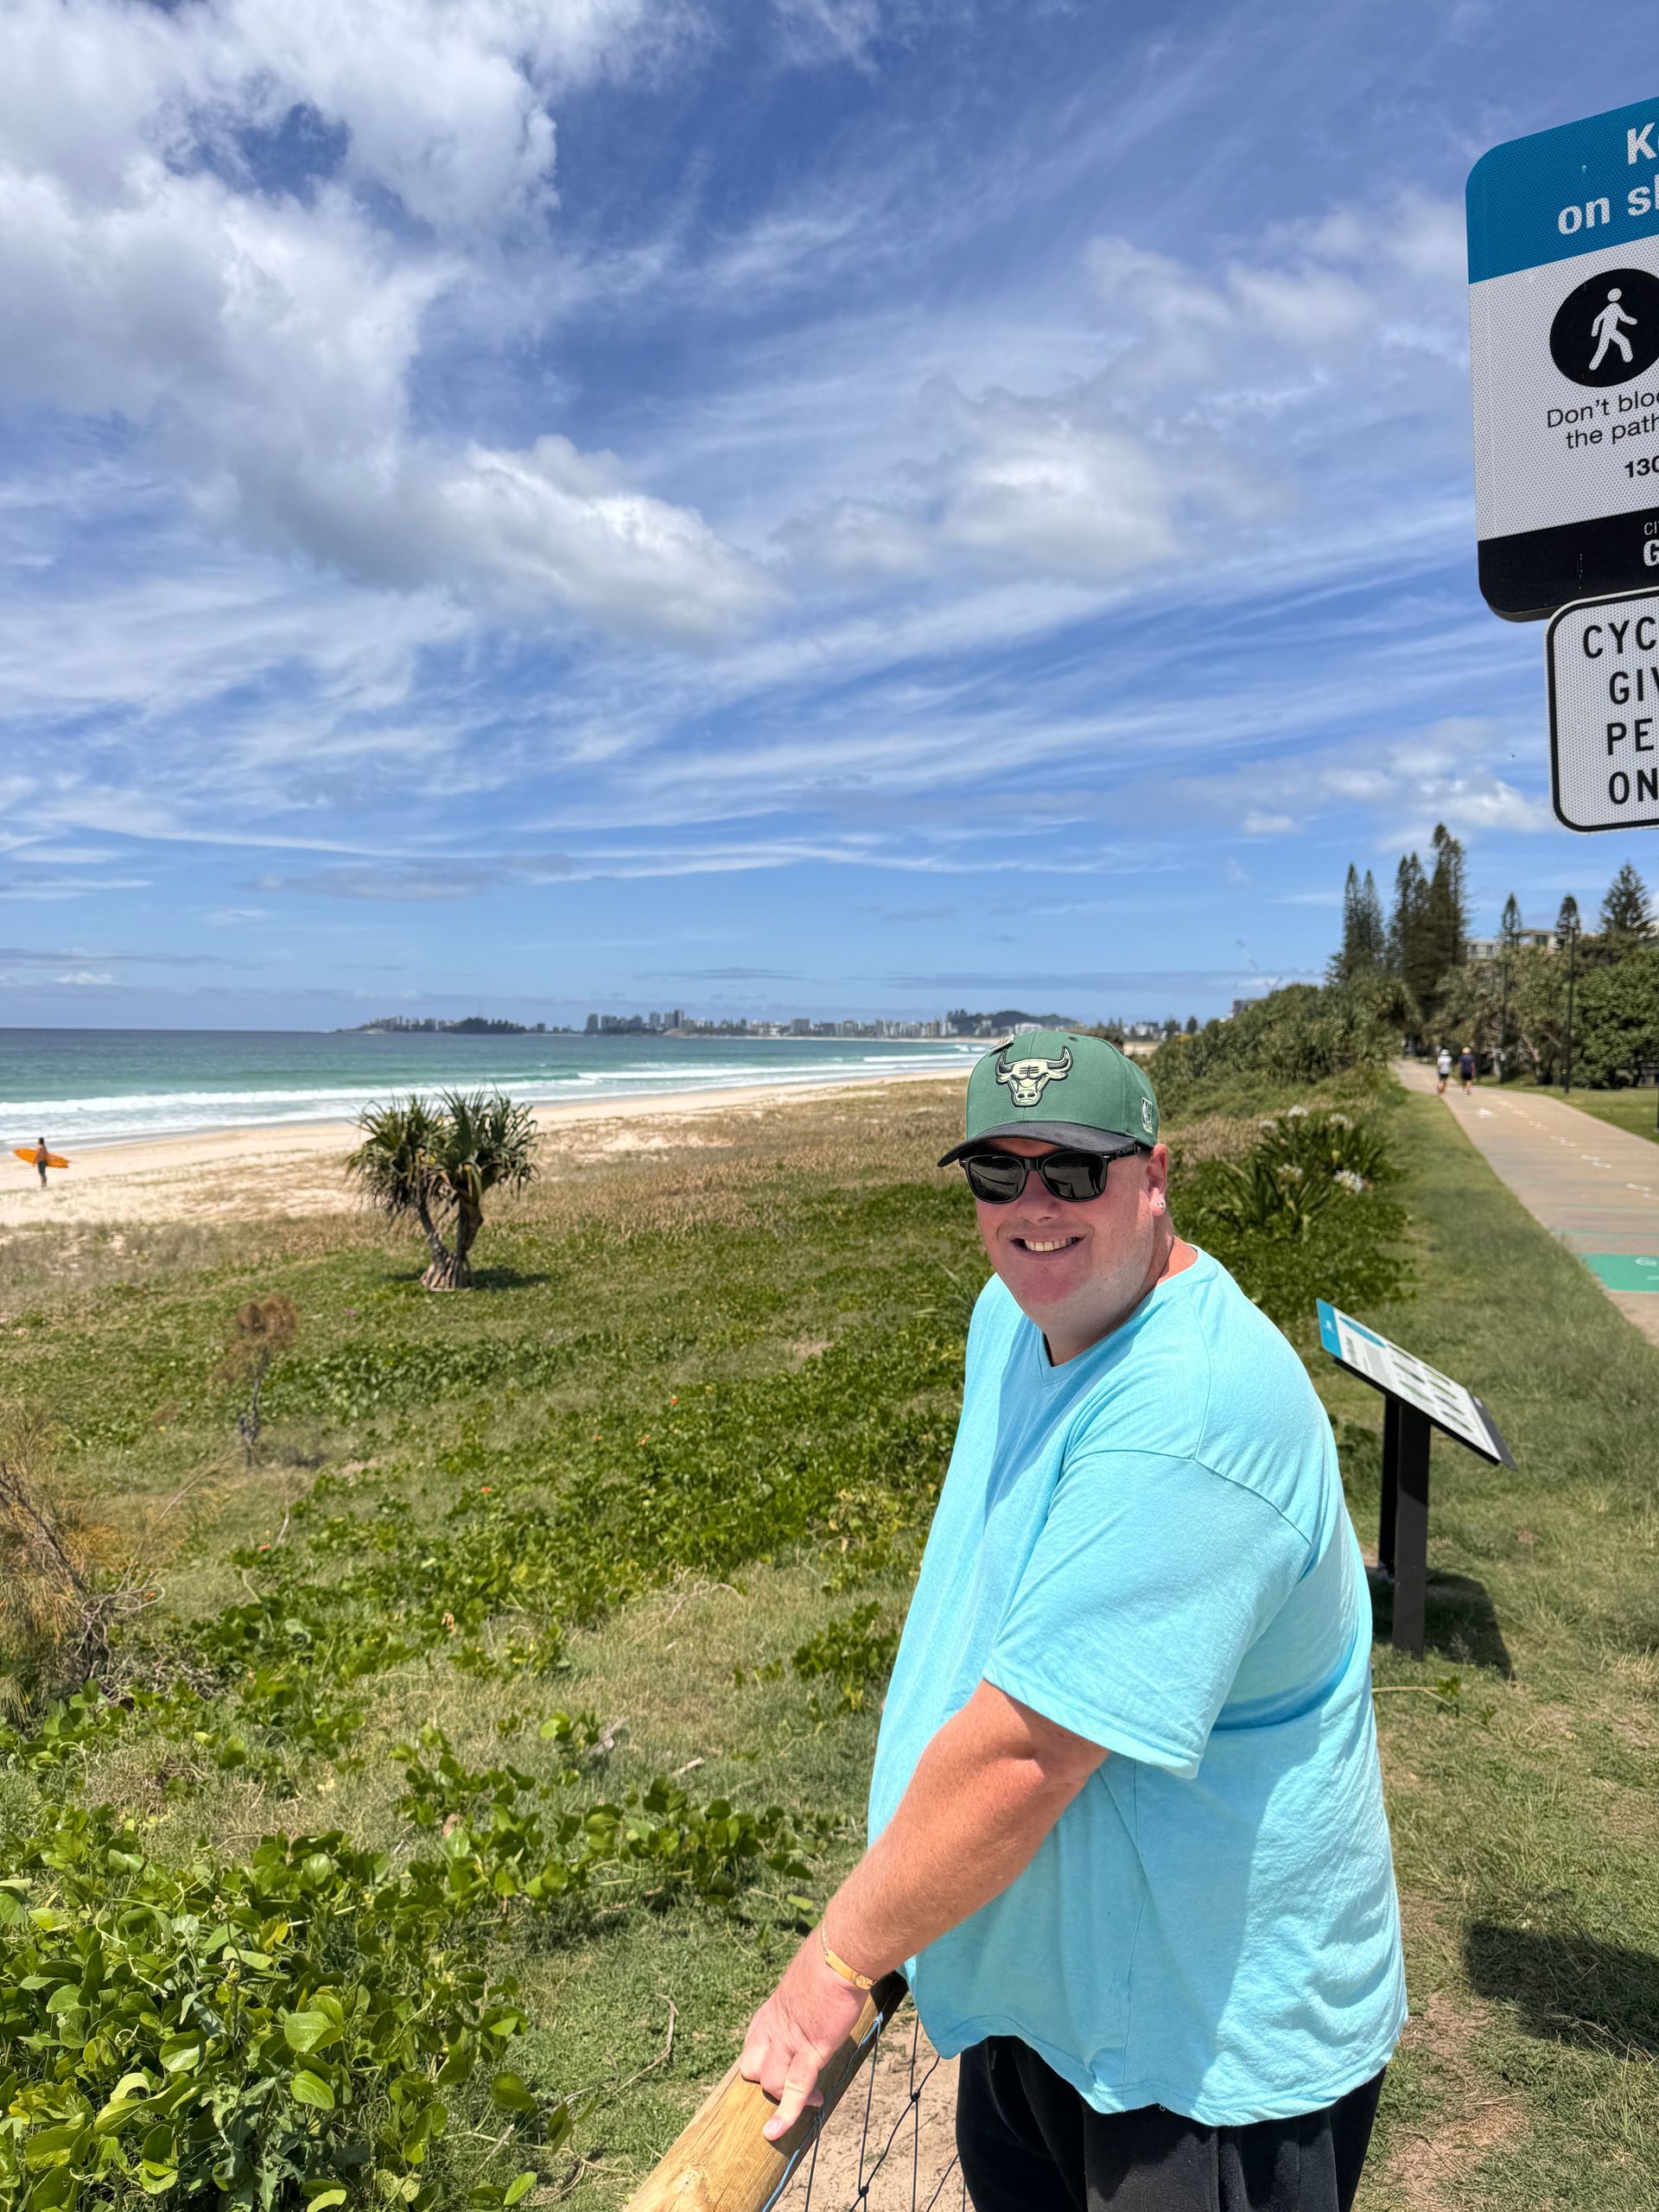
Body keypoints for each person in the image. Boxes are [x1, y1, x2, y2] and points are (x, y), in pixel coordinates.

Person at [739, 1031, 1405, 2212]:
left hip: (1200, 2055)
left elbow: (1028, 1757)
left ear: (1155, 1175)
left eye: (1074, 1171)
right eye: (999, 1174)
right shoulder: (1014, 1322)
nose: (1033, 1208)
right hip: (1048, 1997)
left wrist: (837, 1963)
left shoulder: (1191, 1413)